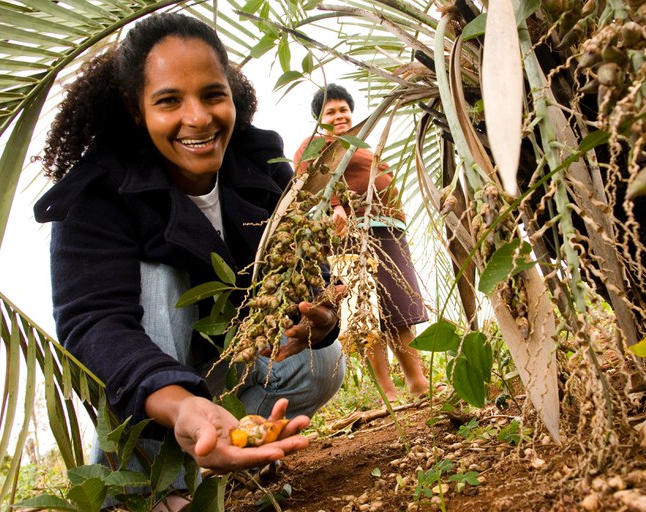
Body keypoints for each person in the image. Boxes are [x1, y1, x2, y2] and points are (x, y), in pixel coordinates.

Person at [33, 12, 345, 508]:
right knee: (159, 274)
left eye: (212, 95)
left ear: (233, 95)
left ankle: (217, 447)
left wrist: (321, 316)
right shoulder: (98, 192)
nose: (198, 118)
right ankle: (150, 487)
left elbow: (307, 267)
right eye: (169, 101)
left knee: (323, 361)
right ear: (137, 110)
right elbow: (94, 322)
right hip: (151, 387)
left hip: (225, 370)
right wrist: (182, 406)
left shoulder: (261, 165)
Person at [293, 84, 432, 403]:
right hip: (349, 233)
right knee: (365, 313)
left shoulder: (361, 145)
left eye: (343, 110)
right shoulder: (315, 144)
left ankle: (418, 383)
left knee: (399, 309)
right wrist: (336, 205)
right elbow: (309, 179)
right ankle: (388, 392)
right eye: (331, 111)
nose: (339, 116)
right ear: (319, 119)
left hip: (386, 230)